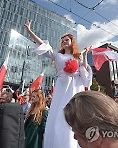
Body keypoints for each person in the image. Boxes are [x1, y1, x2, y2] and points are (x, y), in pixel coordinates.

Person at [24, 20, 92, 148]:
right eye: (63, 40)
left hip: (74, 87)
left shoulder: (77, 56)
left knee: (74, 113)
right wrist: (29, 31)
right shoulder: (57, 55)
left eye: (67, 40)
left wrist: (85, 56)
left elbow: (85, 72)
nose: (65, 41)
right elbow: (42, 44)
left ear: (72, 42)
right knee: (60, 114)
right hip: (62, 85)